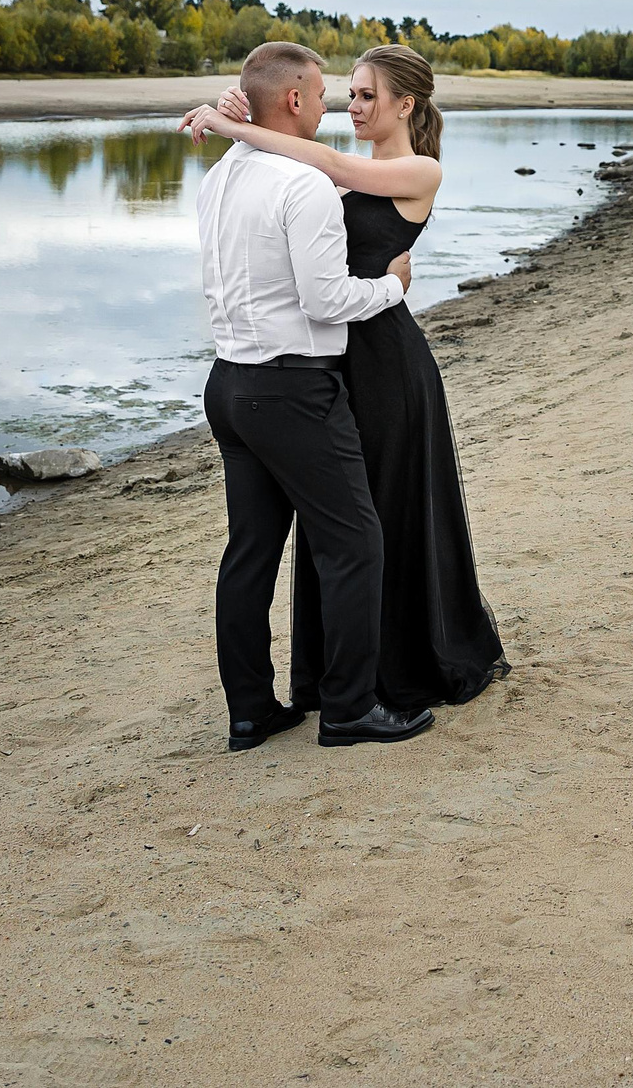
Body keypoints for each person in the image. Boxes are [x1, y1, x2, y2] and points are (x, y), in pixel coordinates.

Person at [183, 43, 510, 714]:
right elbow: (287, 173)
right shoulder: (324, 172)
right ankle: (330, 683)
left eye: (366, 95)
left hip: (385, 363)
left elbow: (321, 162)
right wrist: (237, 117)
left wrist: (235, 126)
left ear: (405, 105)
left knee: (376, 521)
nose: (352, 106)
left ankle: (390, 675)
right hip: (326, 361)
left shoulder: (417, 170)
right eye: (348, 94)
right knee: (336, 531)